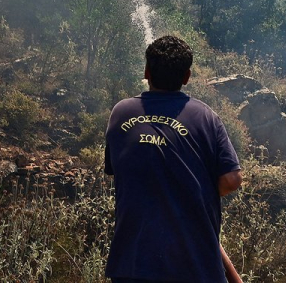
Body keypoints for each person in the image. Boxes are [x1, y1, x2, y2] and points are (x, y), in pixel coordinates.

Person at [104, 35, 243, 283]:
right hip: (193, 268)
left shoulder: (121, 113)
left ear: (147, 71)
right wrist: (198, 192)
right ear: (187, 77)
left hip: (132, 265)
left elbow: (125, 169)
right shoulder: (204, 116)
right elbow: (232, 179)